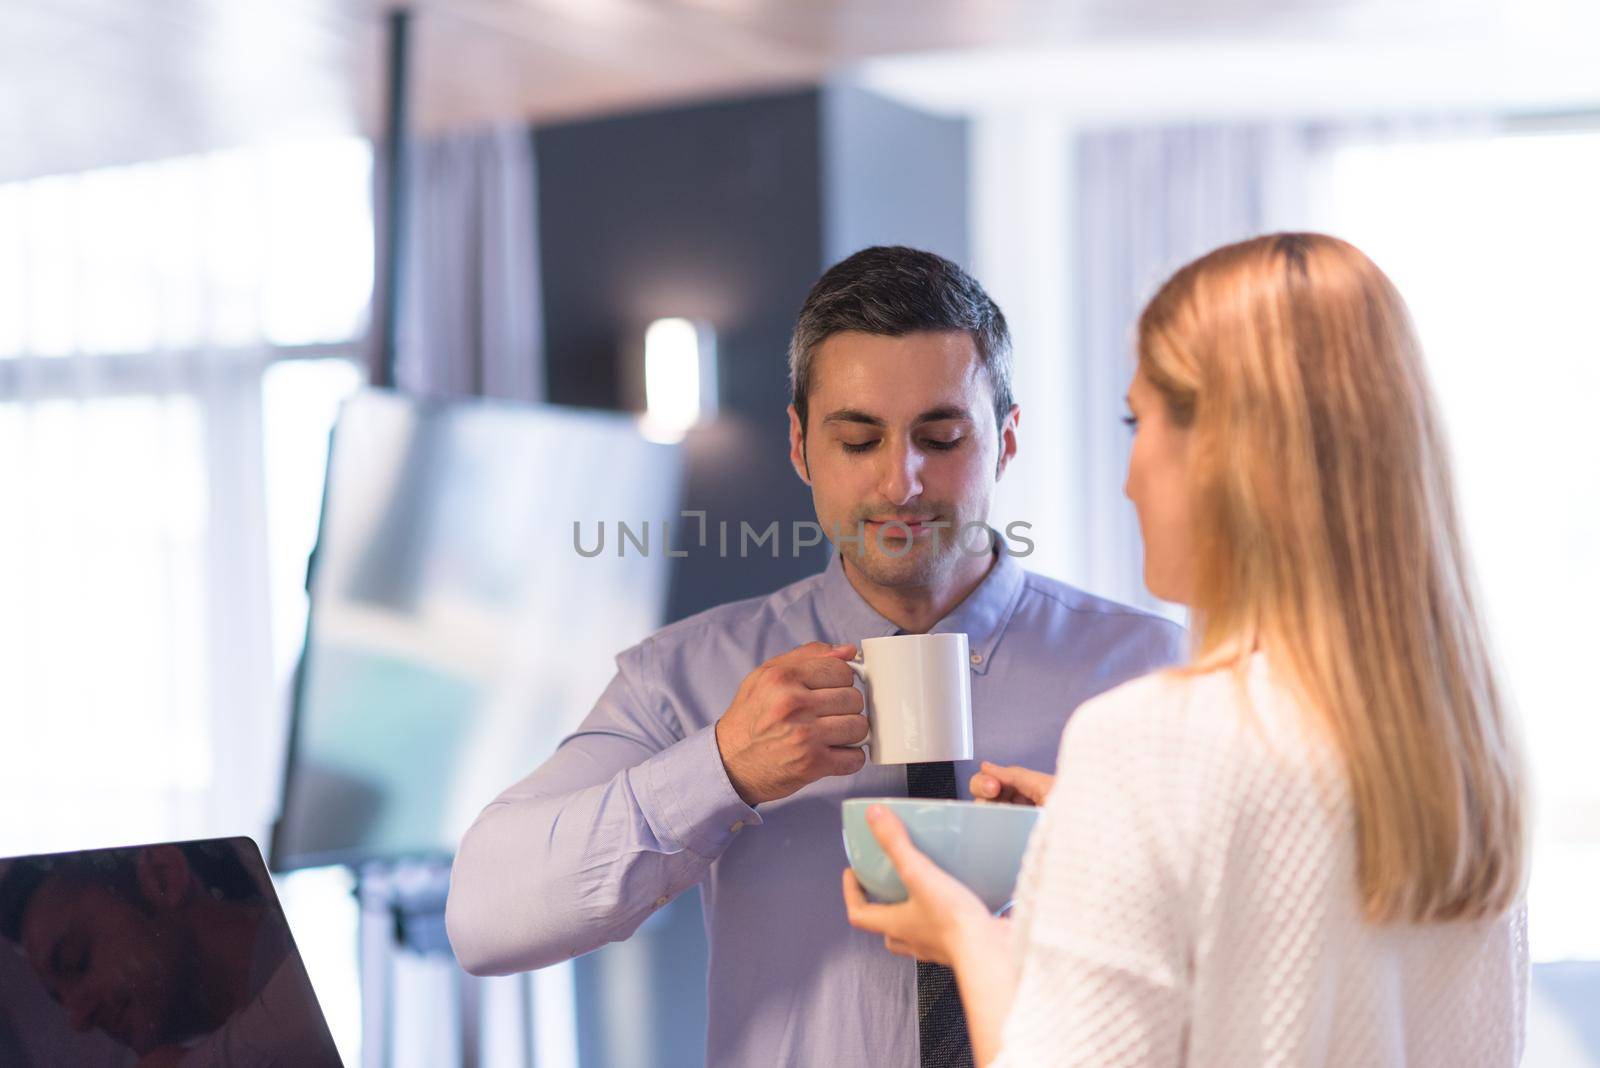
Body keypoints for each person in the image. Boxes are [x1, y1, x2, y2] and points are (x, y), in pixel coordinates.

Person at [446, 246, 1185, 1066]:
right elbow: (482, 917)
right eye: (859, 440)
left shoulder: (1151, 673)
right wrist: (721, 768)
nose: (900, 482)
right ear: (800, 447)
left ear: (1006, 442)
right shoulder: (684, 678)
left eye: (940, 438)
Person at [843, 232, 1529, 1066]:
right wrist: (1111, 840)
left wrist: (967, 937)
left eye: (1141, 420)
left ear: (1232, 453)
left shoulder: (1154, 737)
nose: (1129, 473)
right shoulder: (1463, 750)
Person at [0, 841, 340, 1066]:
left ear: (162, 876)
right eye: (61, 1000)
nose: (79, 1018)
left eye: (76, 961)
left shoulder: (336, 955)